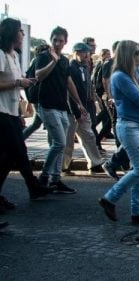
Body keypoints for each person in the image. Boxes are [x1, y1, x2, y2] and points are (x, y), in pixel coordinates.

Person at [98, 40, 139, 225]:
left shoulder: (136, 75)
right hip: (129, 125)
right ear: (128, 55)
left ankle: (138, 211)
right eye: (138, 53)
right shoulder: (120, 77)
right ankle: (110, 198)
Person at [0, 18, 53, 215]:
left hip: (12, 110)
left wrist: (22, 88)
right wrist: (18, 83)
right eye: (20, 32)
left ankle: (33, 187)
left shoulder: (14, 55)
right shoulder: (1, 55)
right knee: (16, 152)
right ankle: (33, 187)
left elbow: (15, 83)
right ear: (12, 33)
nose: (23, 35)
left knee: (14, 154)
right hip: (2, 112)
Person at [35, 26, 84, 193]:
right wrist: (53, 61)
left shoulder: (64, 60)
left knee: (60, 145)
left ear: (66, 42)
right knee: (59, 142)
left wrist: (79, 102)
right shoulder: (43, 57)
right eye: (55, 40)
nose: (57, 43)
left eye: (61, 40)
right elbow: (39, 76)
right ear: (51, 40)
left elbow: (69, 82)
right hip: (47, 105)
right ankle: (43, 176)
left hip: (62, 106)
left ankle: (55, 179)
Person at [62, 42, 105, 174]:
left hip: (84, 107)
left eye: (87, 52)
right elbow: (69, 90)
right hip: (72, 108)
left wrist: (92, 99)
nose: (87, 55)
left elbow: (88, 86)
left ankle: (95, 162)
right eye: (83, 52)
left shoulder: (85, 67)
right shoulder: (70, 67)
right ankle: (64, 165)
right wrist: (76, 108)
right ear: (76, 53)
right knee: (68, 139)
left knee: (89, 135)